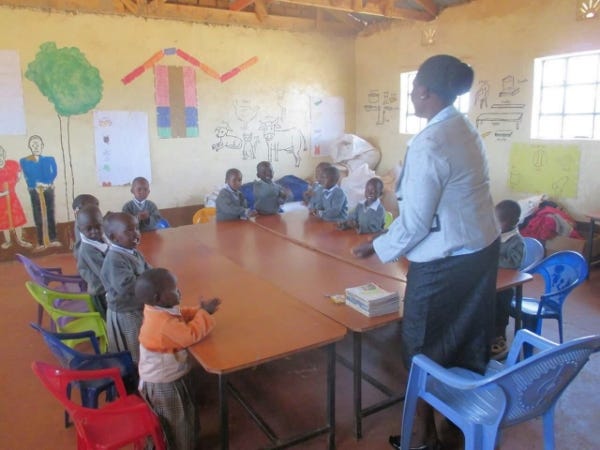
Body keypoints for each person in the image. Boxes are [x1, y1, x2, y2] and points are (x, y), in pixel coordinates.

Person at [352, 55, 500, 450]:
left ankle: (424, 437)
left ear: (427, 92)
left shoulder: (430, 142)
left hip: (445, 262)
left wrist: (377, 246)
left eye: (415, 86)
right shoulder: (462, 127)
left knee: (419, 347)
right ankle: (458, 427)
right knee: (466, 340)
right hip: (480, 251)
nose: (412, 94)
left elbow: (416, 222)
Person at [136, 268, 220, 450]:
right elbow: (190, 334)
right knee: (177, 419)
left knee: (180, 414)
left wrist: (199, 310)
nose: (179, 292)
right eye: (174, 290)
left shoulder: (155, 308)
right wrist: (204, 315)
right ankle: (182, 446)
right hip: (164, 383)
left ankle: (185, 441)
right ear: (159, 297)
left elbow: (179, 313)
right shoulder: (164, 324)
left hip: (163, 377)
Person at [100, 212, 152, 364]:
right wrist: (151, 283)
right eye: (129, 230)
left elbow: (148, 269)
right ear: (114, 237)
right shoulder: (114, 259)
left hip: (136, 306)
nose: (136, 233)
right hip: (125, 312)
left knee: (141, 339)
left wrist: (158, 277)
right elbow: (126, 285)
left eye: (136, 228)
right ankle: (137, 373)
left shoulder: (134, 252)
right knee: (133, 345)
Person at [492, 199, 524, 359]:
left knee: (500, 306)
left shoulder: (516, 241)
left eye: (501, 222)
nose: (497, 225)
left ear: (515, 222)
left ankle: (499, 337)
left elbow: (513, 263)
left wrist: (491, 258)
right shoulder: (496, 234)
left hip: (506, 285)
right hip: (492, 281)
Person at [19, 135, 61, 249]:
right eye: (33, 144)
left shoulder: (49, 159)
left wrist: (47, 183)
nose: (36, 146)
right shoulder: (24, 161)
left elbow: (54, 172)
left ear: (42, 145)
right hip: (34, 190)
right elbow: (28, 175)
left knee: (50, 213)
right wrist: (36, 184)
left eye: (38, 144)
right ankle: (41, 242)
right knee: (38, 215)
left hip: (48, 189)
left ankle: (53, 238)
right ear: (29, 147)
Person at [75, 204, 108, 320]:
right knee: (108, 319)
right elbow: (104, 273)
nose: (94, 231)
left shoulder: (102, 238)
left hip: (107, 287)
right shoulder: (87, 249)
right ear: (80, 230)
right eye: (88, 229)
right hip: (101, 291)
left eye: (98, 226)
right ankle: (111, 337)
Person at [0, 145, 32, 249]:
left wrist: (17, 178)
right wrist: (3, 194)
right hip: (1, 201)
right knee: (3, 220)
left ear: (4, 155)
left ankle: (20, 240)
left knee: (17, 218)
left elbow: (18, 173)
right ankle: (8, 241)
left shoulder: (11, 164)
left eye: (0, 155)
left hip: (13, 199)